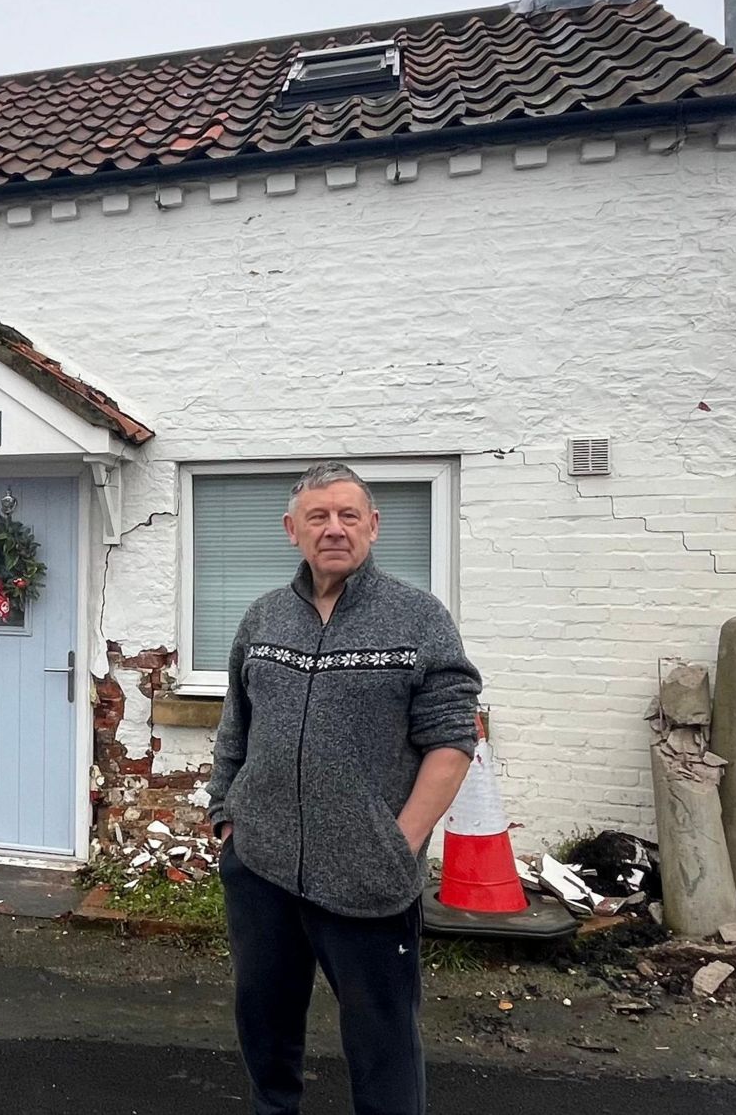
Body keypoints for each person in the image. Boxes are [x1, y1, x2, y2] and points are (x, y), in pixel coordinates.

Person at [205, 460, 482, 1115]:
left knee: (384, 1048)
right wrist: (226, 818)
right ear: (291, 530)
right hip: (263, 870)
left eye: (348, 515)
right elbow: (234, 727)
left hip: (369, 877)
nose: (334, 528)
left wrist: (400, 840)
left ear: (374, 526)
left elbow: (453, 739)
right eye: (318, 517)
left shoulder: (419, 619)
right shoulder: (263, 617)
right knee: (265, 1034)